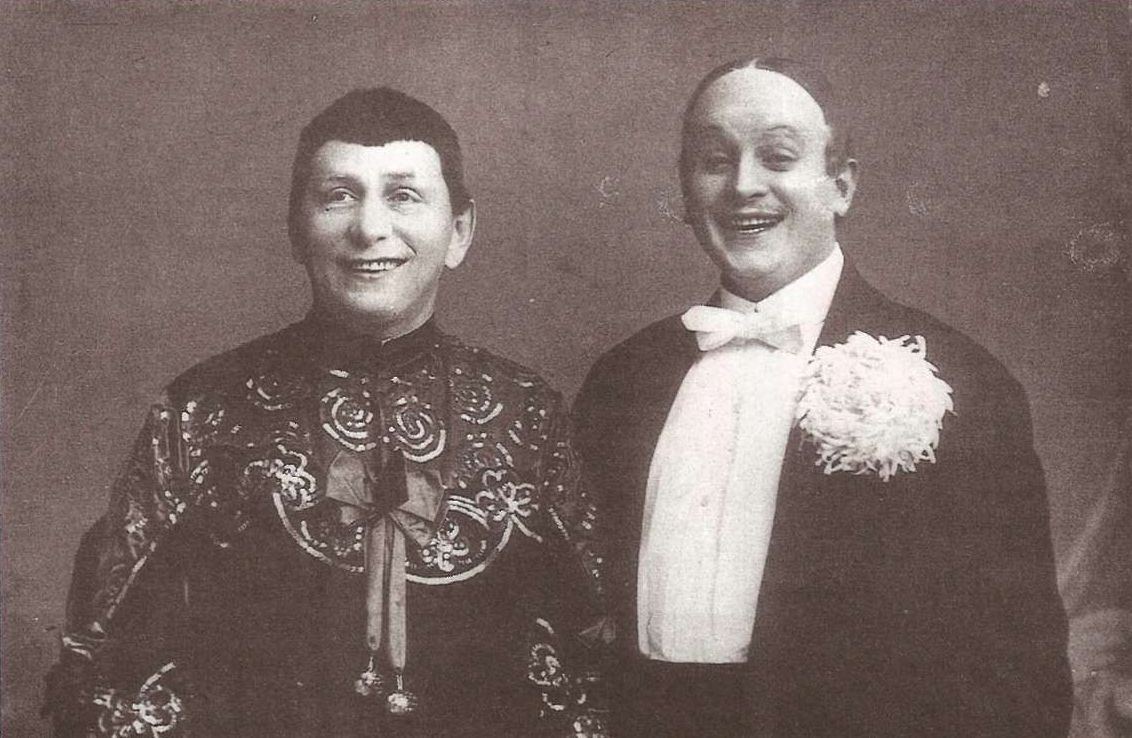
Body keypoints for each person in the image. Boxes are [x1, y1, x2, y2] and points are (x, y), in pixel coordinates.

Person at [43, 88, 606, 737]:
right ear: (295, 229)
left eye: (404, 195)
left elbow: (587, 661)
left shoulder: (526, 412)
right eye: (339, 196)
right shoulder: (204, 411)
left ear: (459, 231)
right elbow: (109, 666)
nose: (369, 228)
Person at [572, 57, 1072, 737]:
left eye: (778, 157)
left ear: (841, 185)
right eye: (714, 161)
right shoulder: (625, 380)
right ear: (686, 191)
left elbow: (1018, 670)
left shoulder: (960, 382)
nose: (743, 185)